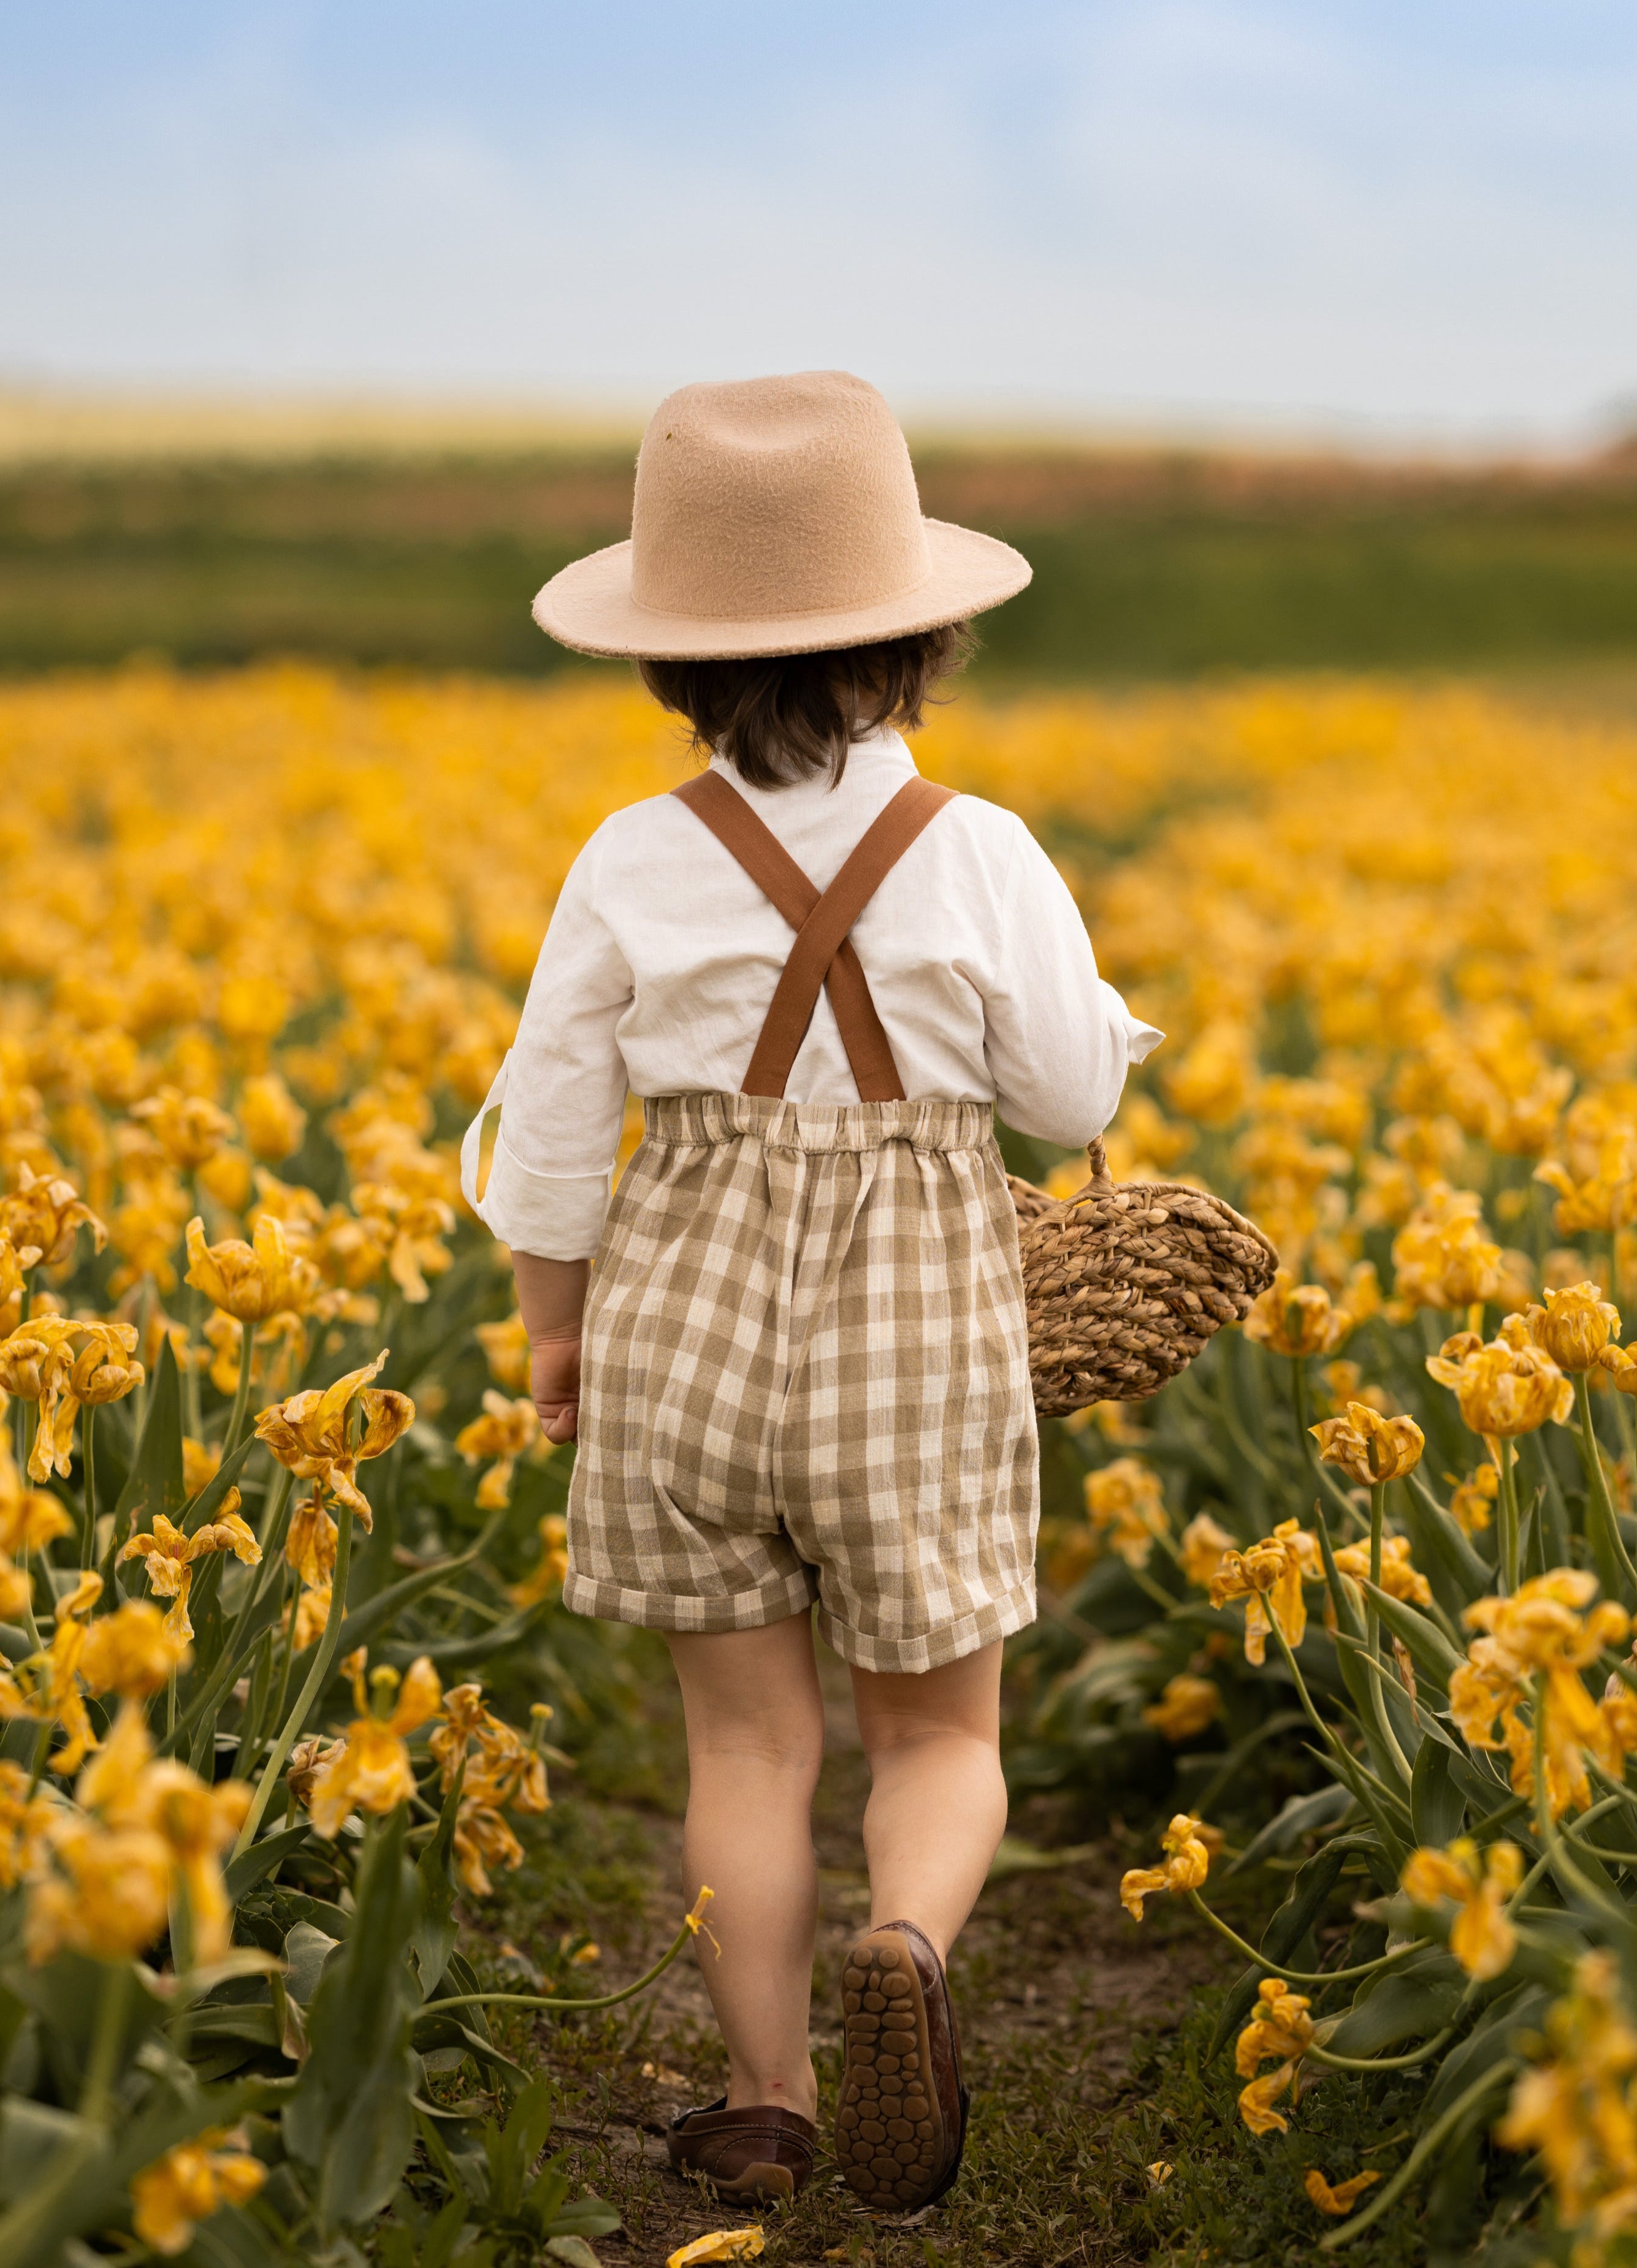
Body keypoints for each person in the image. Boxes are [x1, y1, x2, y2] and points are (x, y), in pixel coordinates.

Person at [461, 370, 1158, 2217]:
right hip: (917, 1327)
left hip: (684, 1321)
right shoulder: (979, 852)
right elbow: (1072, 1101)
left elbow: (546, 1139)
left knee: (743, 1746)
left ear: (668, 663)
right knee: (939, 1733)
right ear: (922, 643)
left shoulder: (630, 856)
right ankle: (910, 1952)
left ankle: (766, 2101)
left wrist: (555, 1328)